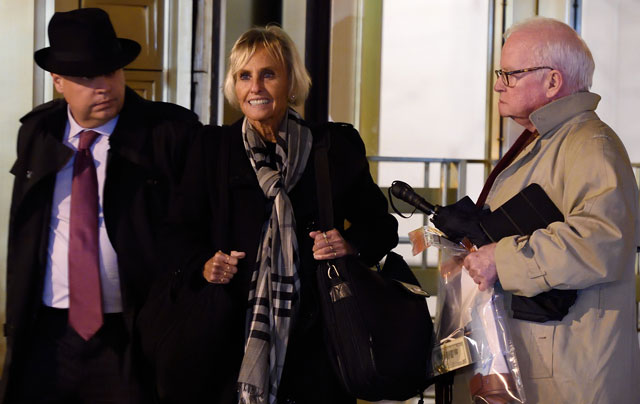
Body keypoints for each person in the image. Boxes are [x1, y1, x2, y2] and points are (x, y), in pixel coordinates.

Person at [144, 25, 398, 404]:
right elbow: (175, 231)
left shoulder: (334, 147)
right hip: (227, 340)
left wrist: (349, 244)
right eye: (245, 76)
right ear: (234, 86)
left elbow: (382, 226)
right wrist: (204, 264)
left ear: (291, 81)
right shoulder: (211, 148)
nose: (256, 87)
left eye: (268, 74)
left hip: (319, 341)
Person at [1, 8, 200, 404]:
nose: (104, 86)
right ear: (58, 81)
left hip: (133, 334)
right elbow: (25, 233)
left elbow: (195, 226)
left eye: (111, 72)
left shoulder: (169, 133)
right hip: (48, 334)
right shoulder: (37, 133)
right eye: (87, 77)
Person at [460, 17, 640, 403]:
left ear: (553, 82)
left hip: (573, 368)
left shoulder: (590, 144)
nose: (497, 85)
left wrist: (501, 259)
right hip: (550, 357)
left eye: (510, 74)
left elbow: (601, 242)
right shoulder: (551, 140)